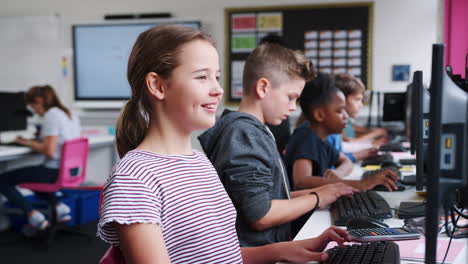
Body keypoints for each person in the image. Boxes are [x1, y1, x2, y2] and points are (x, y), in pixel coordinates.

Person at [98, 25, 352, 264]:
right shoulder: (135, 177)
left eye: (217, 77)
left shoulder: (198, 162)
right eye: (202, 77)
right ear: (158, 85)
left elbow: (218, 255)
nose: (218, 90)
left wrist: (283, 250)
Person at [198, 42, 356, 247]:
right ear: (263, 87)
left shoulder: (254, 130)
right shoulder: (245, 135)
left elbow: (271, 196)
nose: (292, 108)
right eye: (290, 97)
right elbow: (260, 215)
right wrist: (317, 197)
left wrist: (328, 192)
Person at [284, 73, 399, 191]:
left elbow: (346, 161)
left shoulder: (321, 140)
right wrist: (361, 184)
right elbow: (301, 181)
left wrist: (338, 173)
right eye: (339, 111)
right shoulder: (306, 138)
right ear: (319, 115)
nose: (345, 116)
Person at [0, 85, 80, 232]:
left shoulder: (51, 115)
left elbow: (49, 151)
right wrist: (35, 142)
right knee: (31, 178)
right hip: (71, 171)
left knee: (3, 180)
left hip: (53, 172)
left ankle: (33, 216)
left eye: (32, 106)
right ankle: (59, 207)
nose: (34, 111)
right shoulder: (69, 113)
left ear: (38, 101)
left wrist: (29, 143)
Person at [337, 73, 388, 148]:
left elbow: (351, 132)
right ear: (341, 99)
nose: (361, 105)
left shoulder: (346, 119)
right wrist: (374, 136)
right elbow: (349, 142)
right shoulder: (336, 120)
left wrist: (373, 132)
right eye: (357, 99)